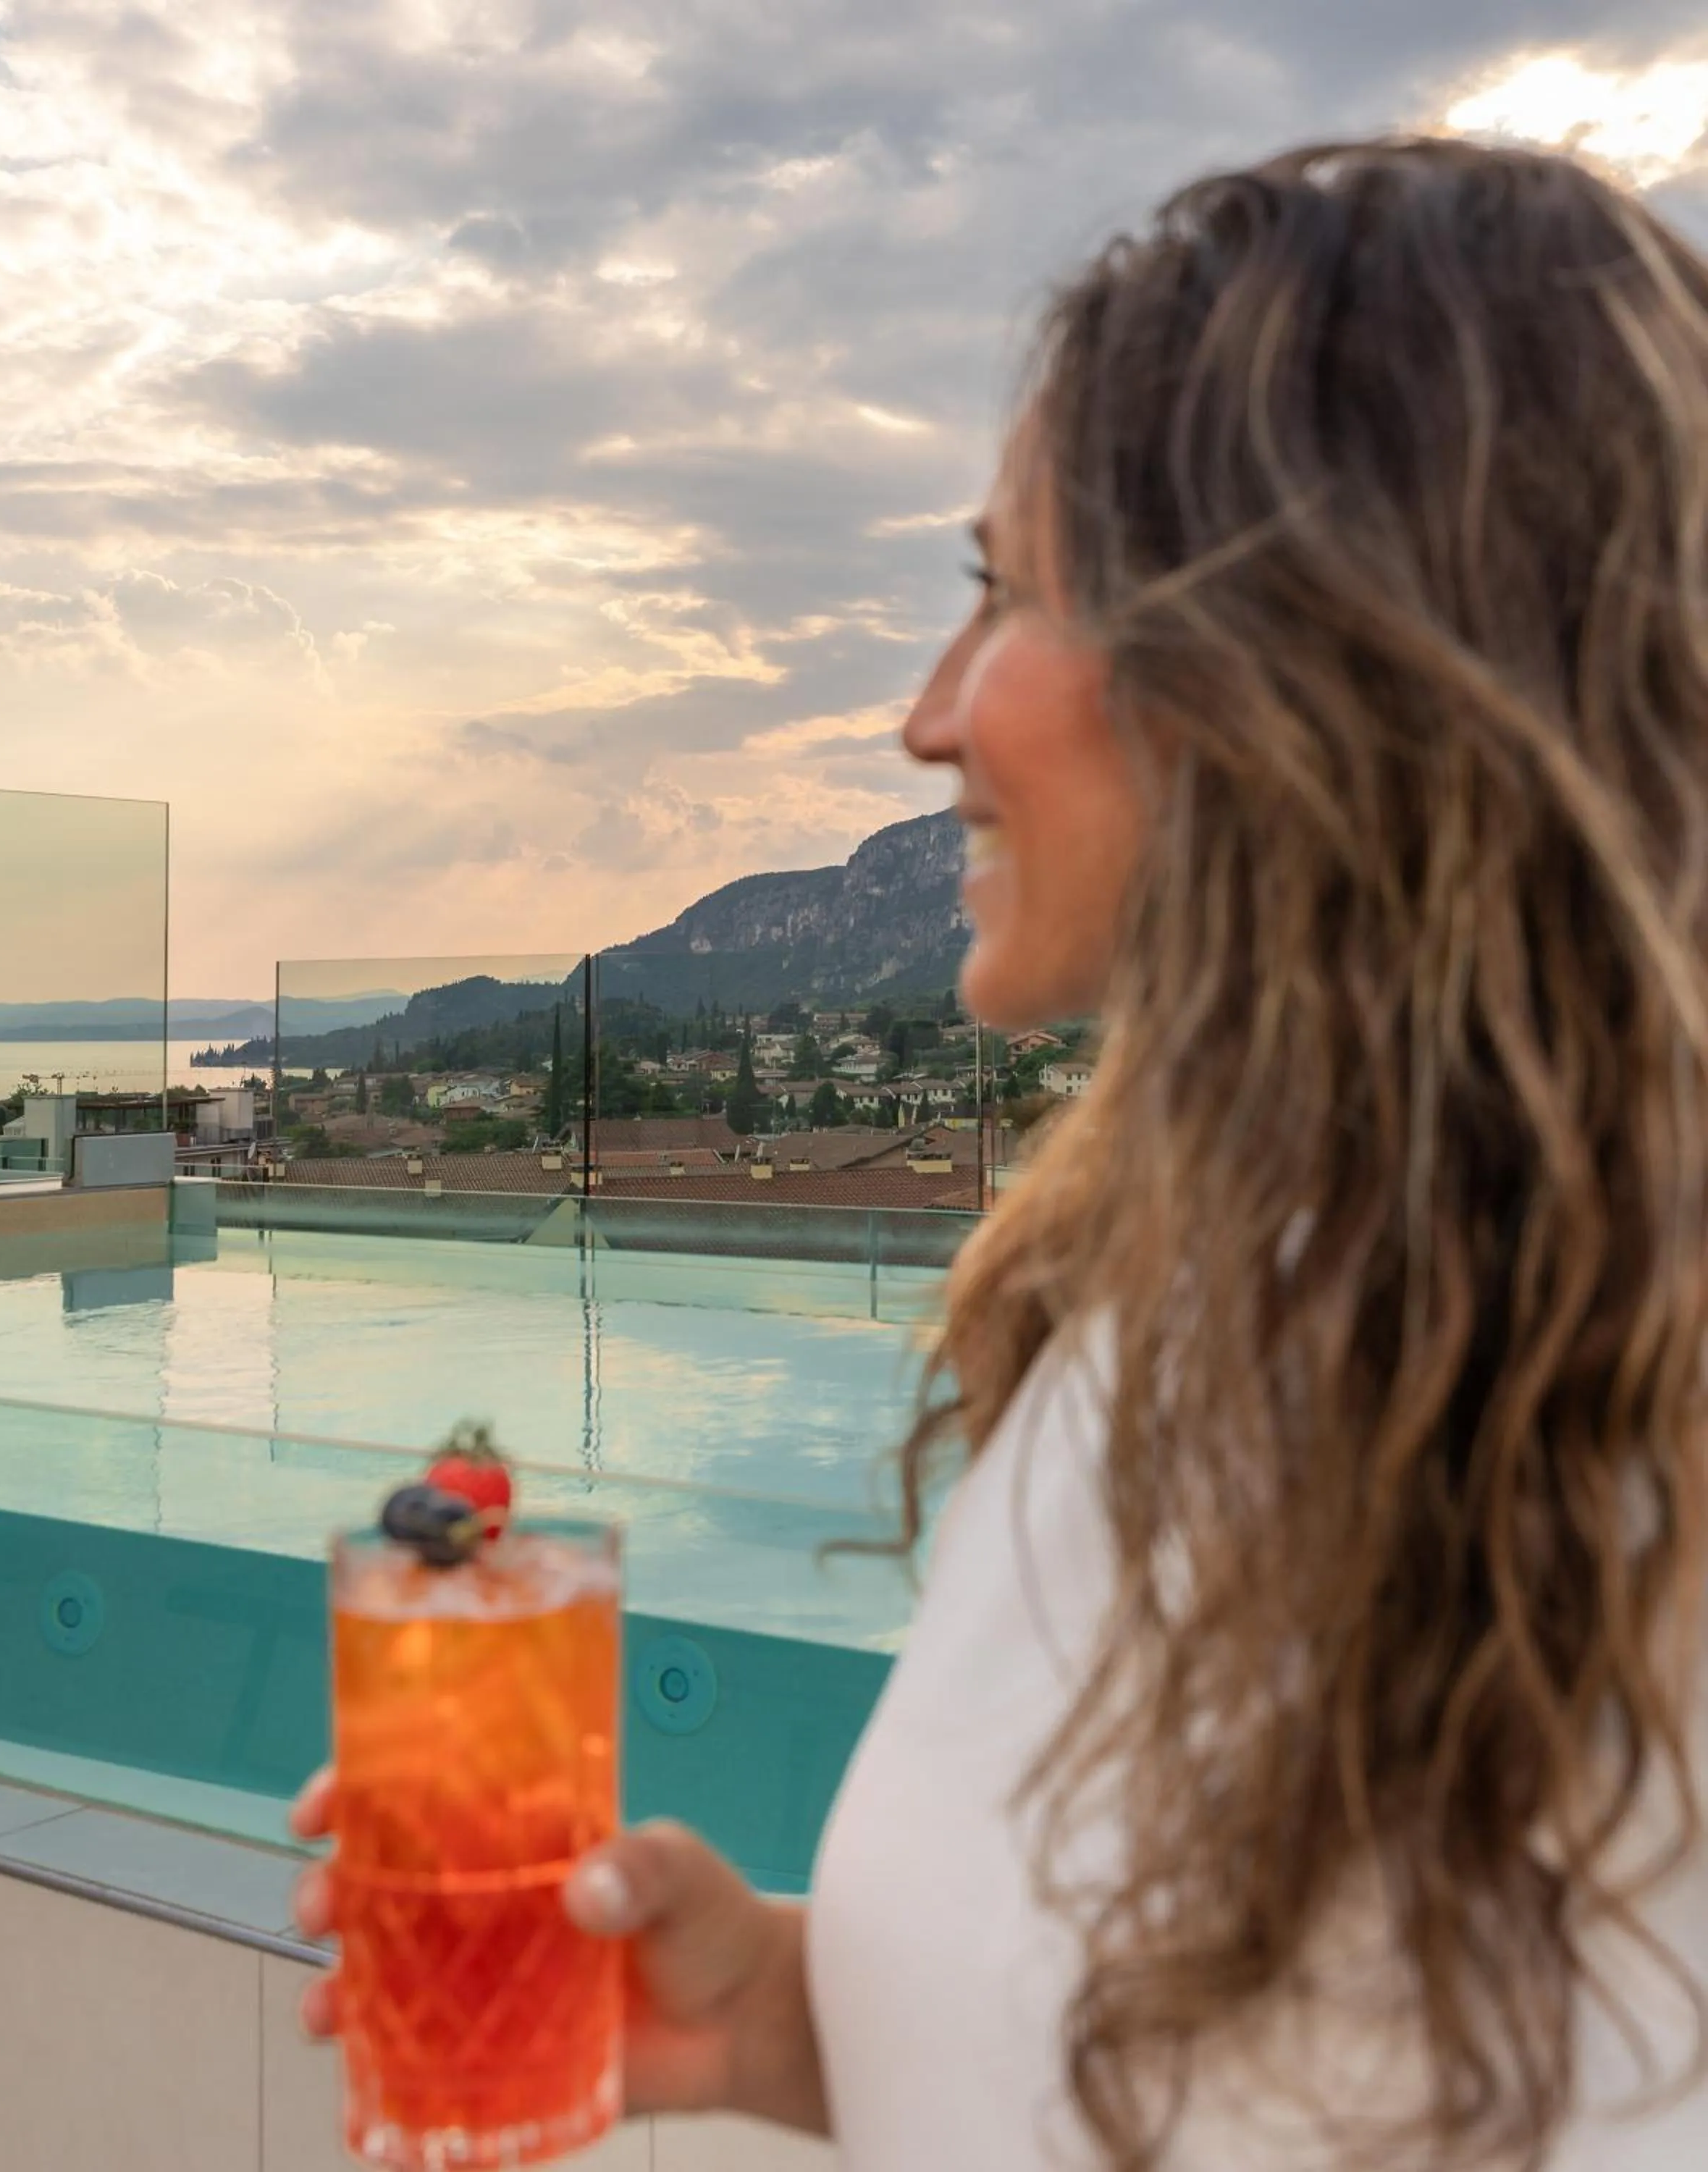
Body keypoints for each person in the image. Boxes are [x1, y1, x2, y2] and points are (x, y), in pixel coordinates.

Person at [296, 137, 1708, 2168]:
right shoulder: (1159, 1316)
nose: (928, 718)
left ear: (1306, 659)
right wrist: (782, 2016)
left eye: (1010, 595)